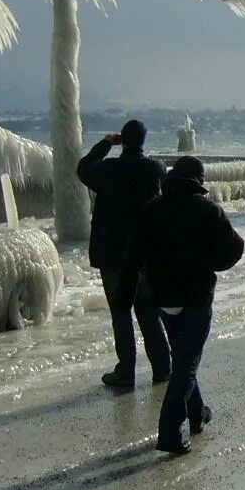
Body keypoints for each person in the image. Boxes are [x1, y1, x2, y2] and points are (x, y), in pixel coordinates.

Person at [116, 156, 245, 455]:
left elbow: (132, 257)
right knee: (186, 364)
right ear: (198, 181)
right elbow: (235, 249)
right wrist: (212, 263)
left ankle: (197, 413)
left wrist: (125, 295)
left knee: (184, 356)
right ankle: (170, 431)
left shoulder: (151, 209)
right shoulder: (208, 211)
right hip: (196, 299)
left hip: (163, 300)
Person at [76, 119, 171, 388]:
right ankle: (163, 367)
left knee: (121, 313)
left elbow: (83, 169)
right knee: (148, 312)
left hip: (113, 255)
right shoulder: (155, 169)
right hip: (145, 255)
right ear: (143, 141)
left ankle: (126, 371)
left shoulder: (108, 170)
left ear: (123, 141)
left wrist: (106, 143)